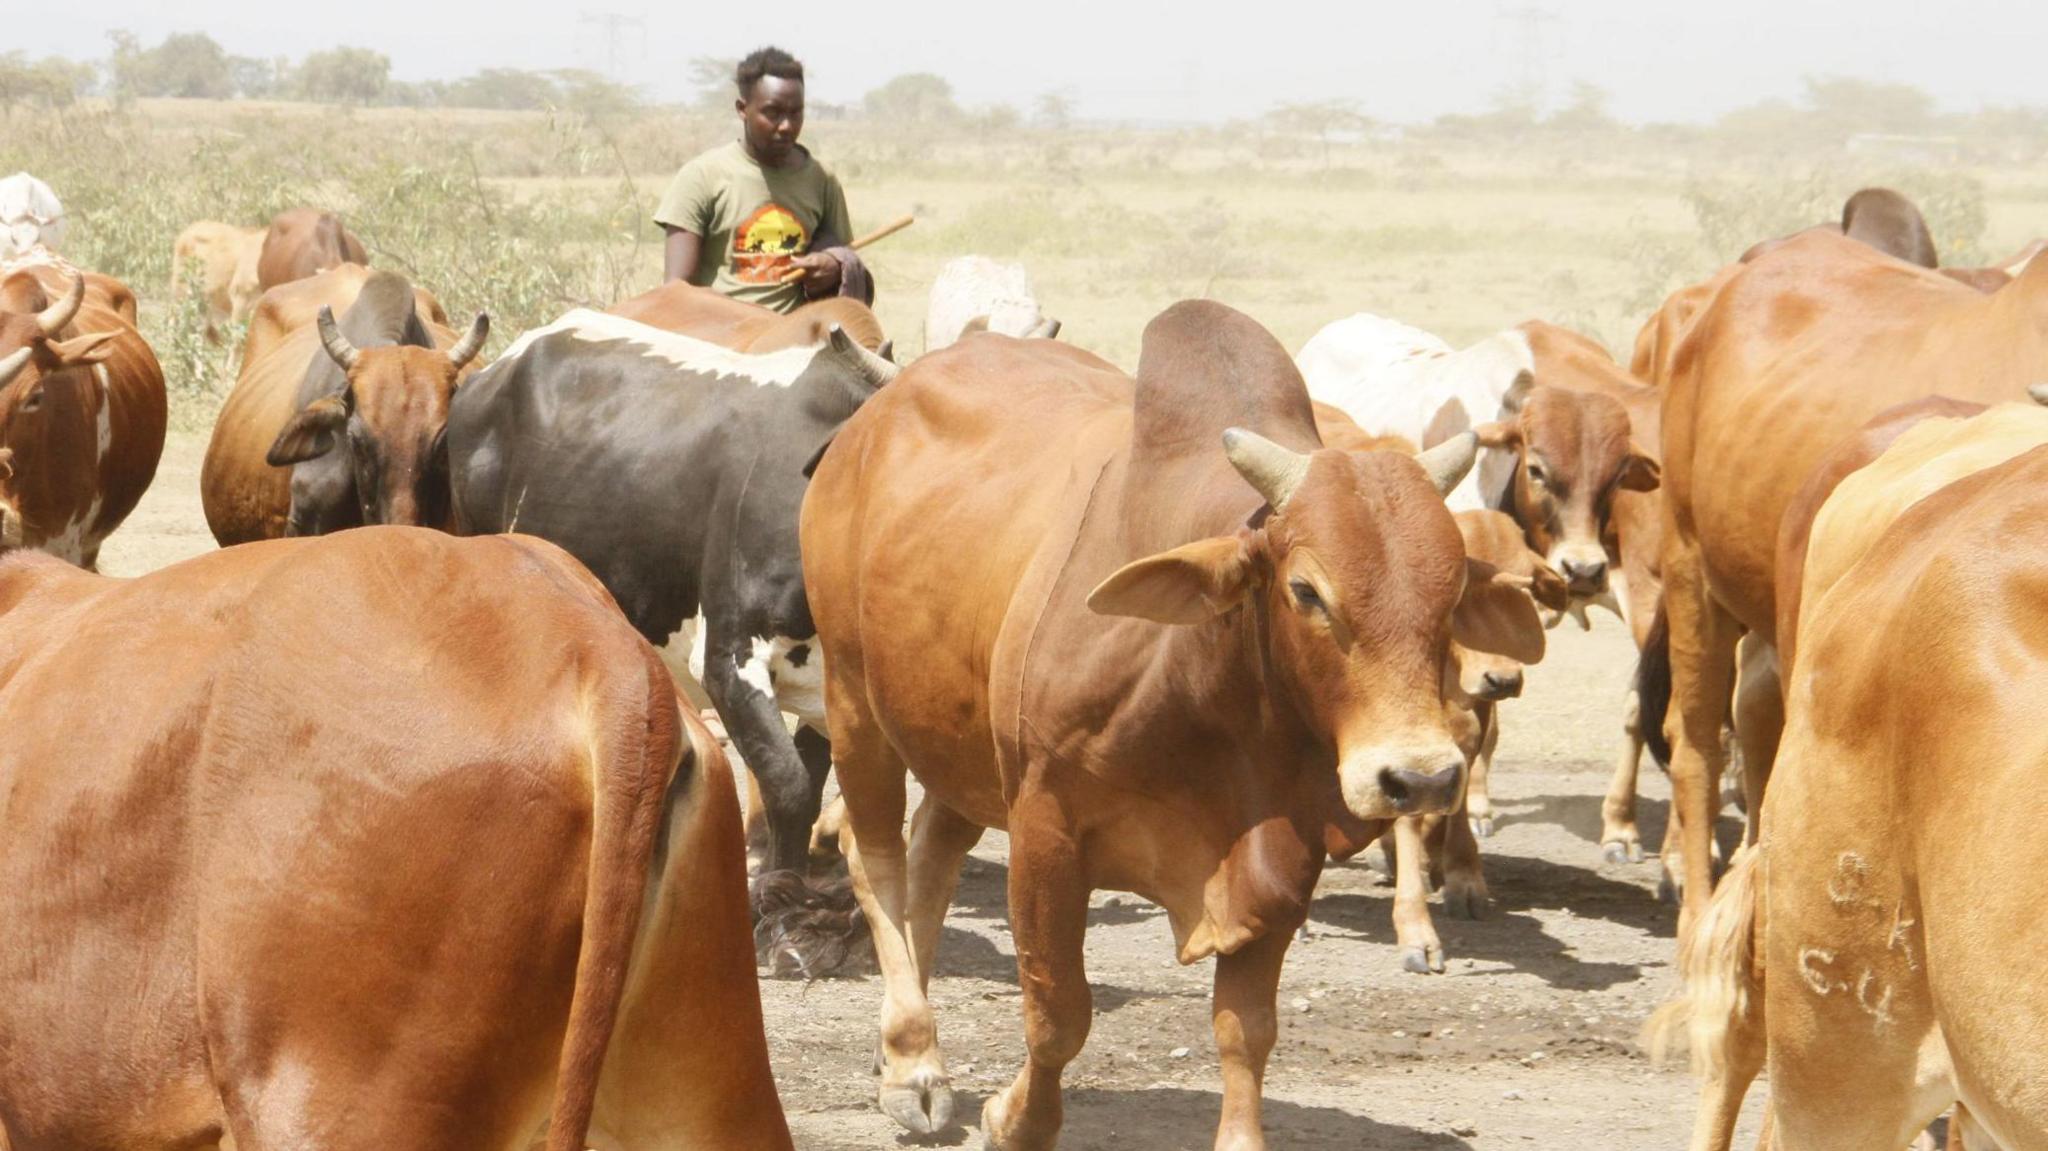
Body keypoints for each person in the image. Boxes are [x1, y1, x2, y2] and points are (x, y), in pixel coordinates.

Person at [654, 47, 869, 313]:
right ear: (742, 109)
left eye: (796, 113)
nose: (787, 125)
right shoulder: (701, 177)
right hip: (720, 335)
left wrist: (832, 268)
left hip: (795, 338)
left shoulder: (821, 179)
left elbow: (843, 259)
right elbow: (675, 290)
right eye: (773, 113)